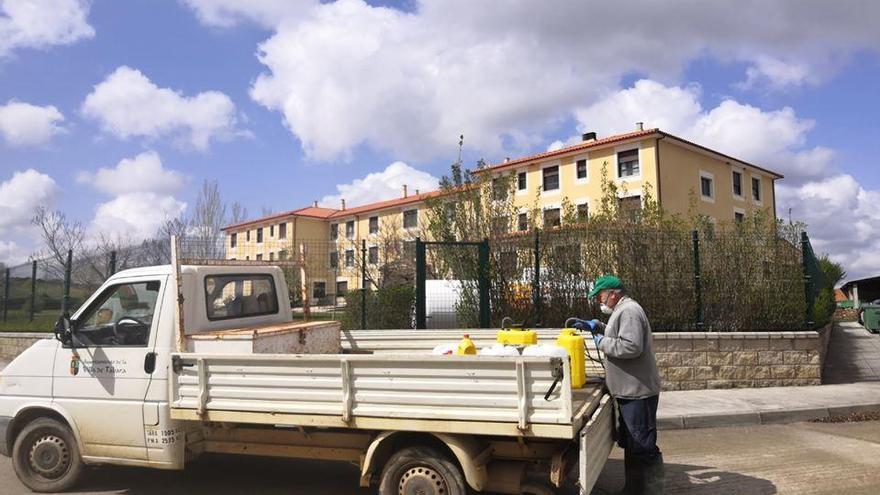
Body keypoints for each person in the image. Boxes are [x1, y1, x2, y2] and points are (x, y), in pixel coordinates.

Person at [574, 274, 664, 495]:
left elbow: (631, 346)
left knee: (643, 447)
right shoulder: (622, 311)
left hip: (638, 391)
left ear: (613, 294)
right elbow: (621, 335)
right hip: (630, 390)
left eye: (601, 296)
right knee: (633, 446)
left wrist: (602, 342)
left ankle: (652, 491)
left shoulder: (629, 311)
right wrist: (599, 327)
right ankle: (633, 490)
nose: (599, 301)